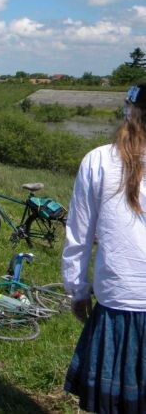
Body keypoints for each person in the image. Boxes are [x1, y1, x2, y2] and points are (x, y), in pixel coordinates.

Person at [61, 83, 146, 412]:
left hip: (116, 305)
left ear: (129, 111)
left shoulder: (98, 160)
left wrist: (78, 290)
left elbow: (79, 235)